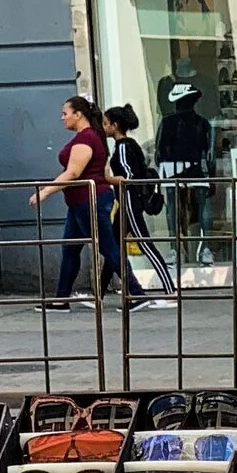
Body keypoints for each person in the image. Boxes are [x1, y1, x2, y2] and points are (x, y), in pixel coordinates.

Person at [29, 94, 152, 312]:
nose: (62, 118)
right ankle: (61, 300)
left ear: (78, 115)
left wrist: (45, 191)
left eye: (65, 113)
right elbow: (100, 171)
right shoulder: (91, 137)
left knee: (108, 248)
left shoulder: (86, 139)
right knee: (71, 249)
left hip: (89, 200)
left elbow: (74, 172)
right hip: (82, 202)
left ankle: (136, 293)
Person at [103, 103, 175, 298]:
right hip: (126, 201)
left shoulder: (124, 147)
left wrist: (107, 178)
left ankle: (170, 290)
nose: (104, 127)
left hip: (128, 200)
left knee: (144, 244)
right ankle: (99, 295)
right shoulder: (128, 145)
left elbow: (128, 177)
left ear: (115, 125)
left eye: (106, 123)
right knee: (114, 248)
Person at [153, 79, 213, 266]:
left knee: (173, 207)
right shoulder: (202, 123)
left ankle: (175, 249)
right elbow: (209, 154)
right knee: (200, 205)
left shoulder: (167, 122)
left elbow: (159, 151)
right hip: (193, 166)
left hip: (173, 167)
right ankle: (203, 248)